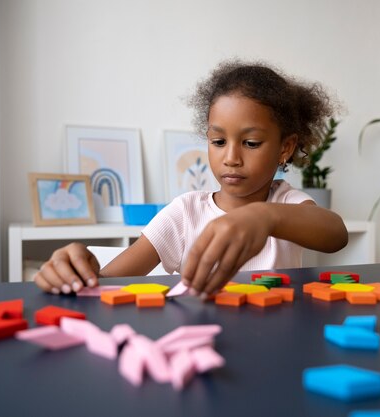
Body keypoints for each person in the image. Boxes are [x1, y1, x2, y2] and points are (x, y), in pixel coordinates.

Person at [34, 59, 348, 298]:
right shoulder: (185, 213)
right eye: (218, 141)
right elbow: (111, 282)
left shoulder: (285, 203)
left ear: (286, 148)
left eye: (251, 143)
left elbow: (336, 234)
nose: (231, 157)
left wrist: (265, 217)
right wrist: (77, 272)